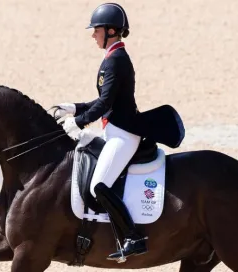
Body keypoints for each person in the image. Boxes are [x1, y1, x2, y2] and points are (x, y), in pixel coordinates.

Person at [54, 2, 148, 261]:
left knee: (99, 185)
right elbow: (104, 100)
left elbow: (105, 104)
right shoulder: (112, 57)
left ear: (110, 30)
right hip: (115, 131)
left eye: (96, 29)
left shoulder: (116, 60)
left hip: (124, 134)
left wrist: (80, 122)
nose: (93, 34)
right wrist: (74, 108)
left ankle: (133, 237)